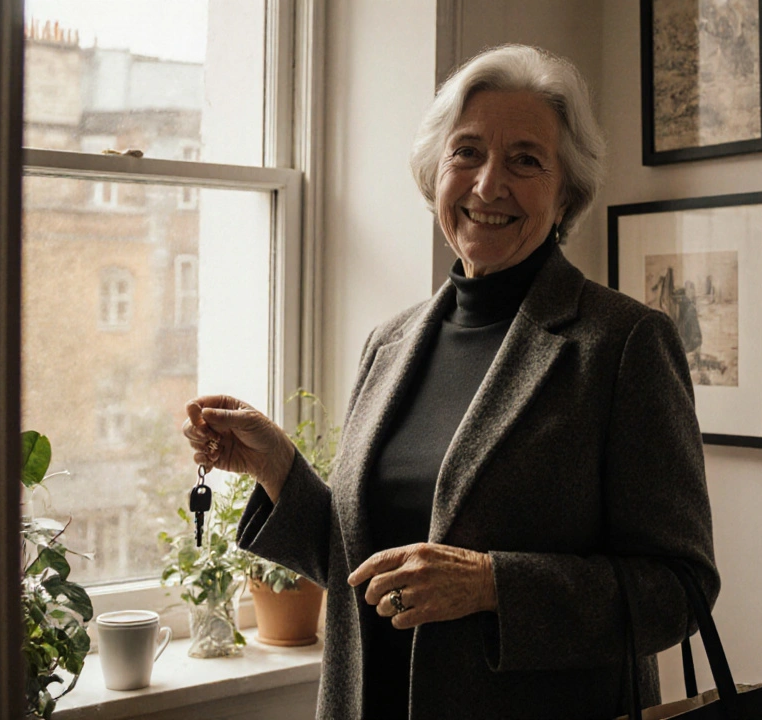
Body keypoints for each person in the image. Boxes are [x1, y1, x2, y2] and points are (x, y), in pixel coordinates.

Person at [182, 44, 718, 720]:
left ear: (565, 195)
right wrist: (279, 469)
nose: (489, 184)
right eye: (466, 153)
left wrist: (495, 585)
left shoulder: (621, 344)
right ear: (435, 172)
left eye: (525, 159)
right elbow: (368, 571)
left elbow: (680, 590)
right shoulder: (391, 342)